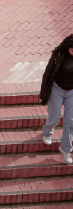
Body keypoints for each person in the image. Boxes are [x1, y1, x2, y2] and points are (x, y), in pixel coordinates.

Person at [40, 34, 73, 165]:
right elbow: (47, 73)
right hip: (57, 89)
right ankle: (47, 132)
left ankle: (66, 150)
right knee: (54, 116)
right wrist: (43, 94)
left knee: (70, 122)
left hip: (71, 92)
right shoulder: (59, 55)